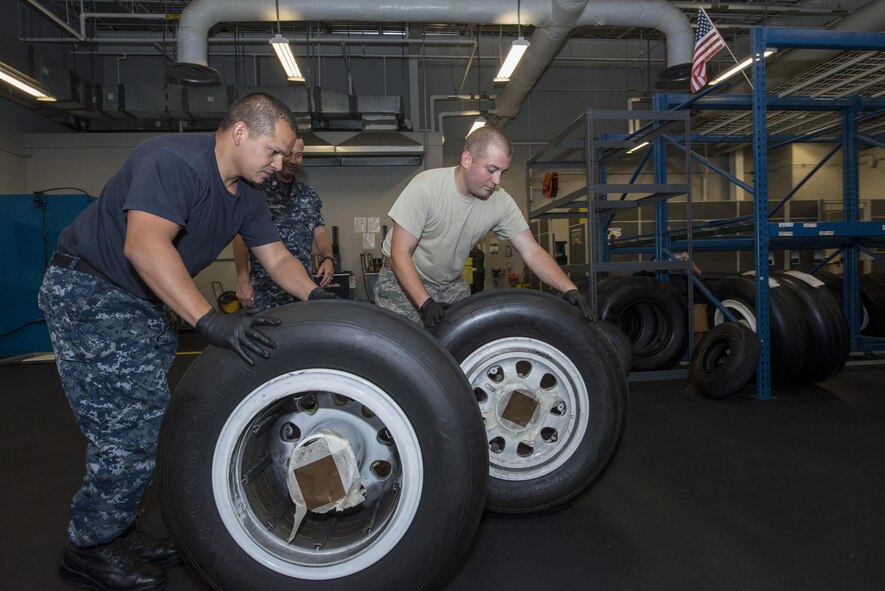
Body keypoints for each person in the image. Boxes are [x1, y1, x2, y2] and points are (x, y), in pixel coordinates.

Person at [38, 92, 337, 591]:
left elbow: (278, 257)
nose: (281, 163)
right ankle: (89, 546)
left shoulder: (247, 194)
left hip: (142, 303)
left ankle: (119, 530)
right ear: (240, 132)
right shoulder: (171, 162)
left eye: (286, 155)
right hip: (92, 294)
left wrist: (322, 301)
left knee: (154, 424)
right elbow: (144, 245)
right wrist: (208, 320)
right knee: (130, 431)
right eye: (274, 151)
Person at [375, 125, 590, 327]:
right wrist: (426, 304)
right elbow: (399, 253)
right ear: (467, 159)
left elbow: (531, 251)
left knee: (465, 344)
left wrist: (569, 288)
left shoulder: (500, 201)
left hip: (450, 285)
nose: (497, 180)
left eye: (502, 172)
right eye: (491, 169)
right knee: (403, 353)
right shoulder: (426, 187)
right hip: (402, 281)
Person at [233, 135, 335, 310]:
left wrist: (328, 258)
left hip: (301, 290)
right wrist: (243, 279)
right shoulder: (257, 189)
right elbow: (241, 237)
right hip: (265, 292)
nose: (293, 160)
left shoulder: (308, 193)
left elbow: (320, 231)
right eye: (289, 154)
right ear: (278, 154)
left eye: (299, 155)